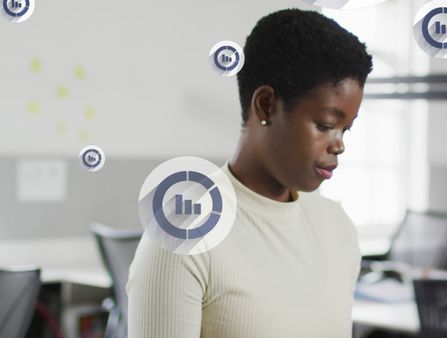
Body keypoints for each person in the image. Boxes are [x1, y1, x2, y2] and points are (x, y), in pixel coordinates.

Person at [127, 8, 373, 338]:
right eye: (326, 125)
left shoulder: (338, 228)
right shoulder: (183, 235)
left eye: (346, 129)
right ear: (266, 105)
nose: (339, 145)